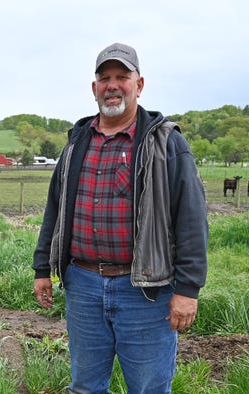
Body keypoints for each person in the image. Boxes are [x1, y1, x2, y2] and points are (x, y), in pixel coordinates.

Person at [32, 43, 208, 393]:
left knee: (148, 388)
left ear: (138, 84)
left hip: (145, 292)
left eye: (122, 77)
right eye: (104, 78)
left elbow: (191, 219)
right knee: (85, 386)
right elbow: (55, 208)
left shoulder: (165, 143)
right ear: (94, 87)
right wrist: (42, 269)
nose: (112, 85)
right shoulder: (77, 141)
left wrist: (188, 289)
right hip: (82, 285)